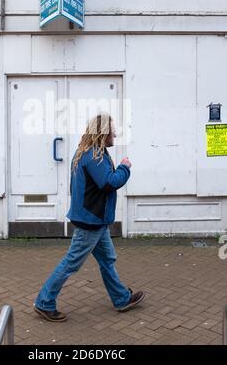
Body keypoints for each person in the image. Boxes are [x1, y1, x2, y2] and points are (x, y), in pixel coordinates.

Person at [34, 113, 145, 322]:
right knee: (71, 263)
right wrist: (125, 167)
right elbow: (108, 182)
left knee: (107, 260)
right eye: (112, 130)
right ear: (103, 133)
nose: (115, 134)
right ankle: (44, 302)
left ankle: (121, 298)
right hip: (91, 221)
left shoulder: (87, 151)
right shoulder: (95, 155)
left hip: (95, 220)